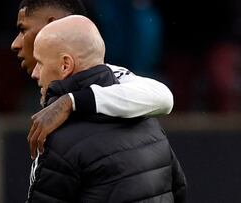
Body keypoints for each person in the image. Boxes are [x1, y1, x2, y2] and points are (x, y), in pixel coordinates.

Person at [27, 15, 186, 202]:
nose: (34, 73)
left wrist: (69, 101)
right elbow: (179, 191)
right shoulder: (149, 121)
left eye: (40, 63)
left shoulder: (59, 138)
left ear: (65, 65)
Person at [11, 0, 174, 160]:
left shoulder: (111, 79)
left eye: (23, 30)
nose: (15, 44)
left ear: (51, 28)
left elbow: (164, 97)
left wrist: (70, 102)